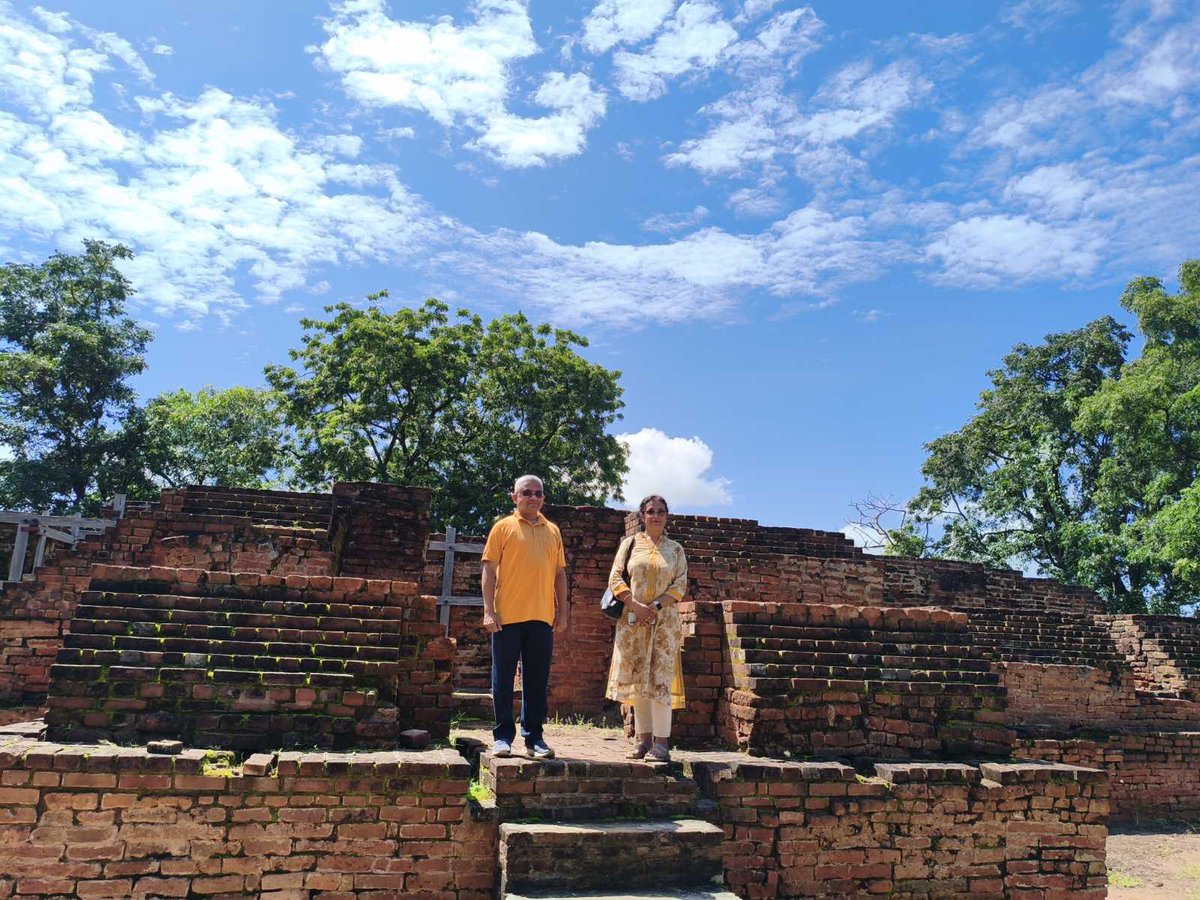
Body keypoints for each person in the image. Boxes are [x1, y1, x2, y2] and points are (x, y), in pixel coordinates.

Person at [481, 474, 568, 760]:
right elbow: (489, 571)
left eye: (538, 493)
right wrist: (488, 611)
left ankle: (535, 739)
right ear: (514, 497)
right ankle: (502, 737)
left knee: (536, 680)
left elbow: (559, 574)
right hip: (506, 616)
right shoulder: (502, 528)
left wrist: (562, 612)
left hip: (542, 616)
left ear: (544, 498)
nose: (533, 498)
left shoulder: (552, 531)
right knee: (502, 679)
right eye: (526, 493)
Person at [605, 494, 688, 762]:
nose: (655, 516)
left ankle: (662, 743)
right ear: (642, 515)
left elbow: (680, 585)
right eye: (650, 511)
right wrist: (634, 604)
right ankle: (643, 740)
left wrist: (655, 606)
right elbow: (616, 577)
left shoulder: (675, 550)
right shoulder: (630, 545)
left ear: (667, 516)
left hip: (663, 624)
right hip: (632, 622)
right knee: (638, 681)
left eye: (661, 512)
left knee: (660, 682)